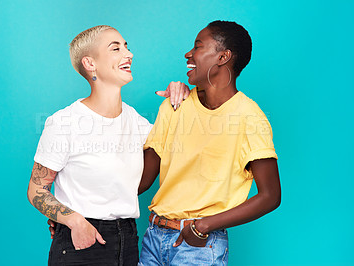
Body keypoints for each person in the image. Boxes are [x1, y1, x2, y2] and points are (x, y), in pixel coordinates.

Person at [27, 25, 189, 266]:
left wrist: (182, 96)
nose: (128, 54)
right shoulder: (64, 122)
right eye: (116, 48)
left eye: (127, 47)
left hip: (128, 240)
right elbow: (36, 190)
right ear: (90, 63)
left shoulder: (135, 120)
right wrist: (74, 221)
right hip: (81, 242)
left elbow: (181, 142)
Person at [138, 20, 281, 265]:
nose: (188, 54)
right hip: (153, 239)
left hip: (200, 246)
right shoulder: (174, 105)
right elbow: (141, 180)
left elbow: (270, 195)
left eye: (198, 46)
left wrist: (204, 225)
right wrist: (79, 210)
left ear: (223, 57)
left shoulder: (250, 118)